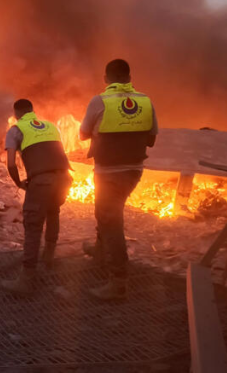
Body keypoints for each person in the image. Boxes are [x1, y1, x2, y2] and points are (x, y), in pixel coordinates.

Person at [79, 59, 158, 300]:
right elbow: (151, 139)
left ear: (106, 78)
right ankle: (101, 251)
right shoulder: (145, 101)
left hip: (108, 172)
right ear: (129, 77)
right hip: (133, 171)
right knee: (105, 213)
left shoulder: (99, 101)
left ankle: (118, 282)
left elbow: (82, 134)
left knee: (111, 221)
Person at [0, 99, 72, 295]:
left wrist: (18, 183)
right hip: (64, 177)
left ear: (16, 114)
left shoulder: (15, 130)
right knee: (53, 211)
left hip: (42, 181)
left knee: (32, 225)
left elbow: (12, 164)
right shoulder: (50, 125)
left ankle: (26, 279)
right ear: (33, 111)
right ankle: (48, 258)